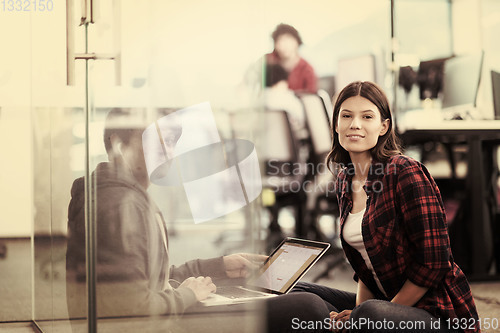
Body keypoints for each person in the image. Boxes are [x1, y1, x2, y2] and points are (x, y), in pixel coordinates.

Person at [292, 81, 480, 332]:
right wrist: (359, 315)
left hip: (436, 313)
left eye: (367, 116)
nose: (355, 124)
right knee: (298, 293)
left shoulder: (404, 171)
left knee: (369, 313)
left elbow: (434, 263)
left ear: (383, 126)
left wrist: (364, 316)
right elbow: (365, 267)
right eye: (346, 116)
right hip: (385, 304)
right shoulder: (345, 179)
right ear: (336, 124)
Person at [65, 108, 266, 320]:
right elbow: (131, 307)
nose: (169, 153)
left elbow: (145, 279)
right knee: (300, 305)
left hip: (157, 317)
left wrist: (219, 267)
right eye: (158, 142)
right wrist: (187, 294)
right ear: (118, 145)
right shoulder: (120, 206)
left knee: (293, 295)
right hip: (156, 326)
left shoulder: (120, 195)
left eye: (171, 142)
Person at [266, 23, 317, 94]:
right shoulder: (267, 60)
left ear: (297, 41)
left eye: (287, 40)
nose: (282, 45)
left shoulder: (307, 70)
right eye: (278, 41)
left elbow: (311, 98)